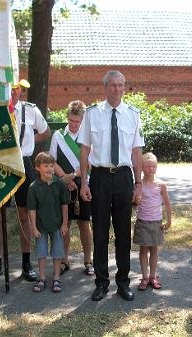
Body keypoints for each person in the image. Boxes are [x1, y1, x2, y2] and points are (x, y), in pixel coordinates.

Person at [78, 70, 144, 302]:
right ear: (105, 87)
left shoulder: (133, 114)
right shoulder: (92, 113)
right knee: (100, 232)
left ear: (124, 87)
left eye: (121, 85)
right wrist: (84, 182)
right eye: (113, 85)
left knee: (123, 232)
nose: (117, 89)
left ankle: (123, 282)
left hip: (124, 177)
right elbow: (85, 149)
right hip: (100, 177)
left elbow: (136, 151)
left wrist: (138, 183)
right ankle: (101, 282)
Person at [0, 79, 51, 283]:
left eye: (18, 90)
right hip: (2, 164)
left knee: (25, 214)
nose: (15, 93)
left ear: (21, 91)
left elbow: (45, 132)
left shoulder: (31, 110)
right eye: (11, 89)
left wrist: (30, 142)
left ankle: (26, 263)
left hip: (24, 163)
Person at [49, 100, 94, 276]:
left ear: (82, 120)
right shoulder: (58, 135)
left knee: (84, 223)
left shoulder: (88, 136)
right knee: (64, 225)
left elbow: (91, 161)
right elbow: (52, 160)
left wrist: (74, 176)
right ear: (67, 118)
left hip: (84, 185)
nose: (74, 125)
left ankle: (88, 260)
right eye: (71, 121)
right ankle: (64, 260)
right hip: (63, 186)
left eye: (77, 122)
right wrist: (63, 177)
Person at [27, 152, 69, 293]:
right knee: (41, 252)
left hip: (57, 225)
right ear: (38, 168)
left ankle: (56, 278)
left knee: (57, 252)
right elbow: (32, 209)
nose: (50, 169)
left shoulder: (60, 184)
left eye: (52, 165)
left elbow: (64, 205)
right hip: (40, 226)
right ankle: (42, 278)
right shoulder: (33, 187)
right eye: (46, 166)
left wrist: (64, 224)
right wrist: (33, 227)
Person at [134, 152, 171, 291]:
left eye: (153, 166)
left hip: (156, 222)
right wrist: (136, 200)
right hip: (143, 221)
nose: (151, 169)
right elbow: (135, 203)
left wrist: (169, 221)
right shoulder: (139, 185)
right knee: (143, 249)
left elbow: (167, 204)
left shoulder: (161, 185)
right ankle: (144, 276)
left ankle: (153, 276)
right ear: (142, 168)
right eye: (148, 166)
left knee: (154, 250)